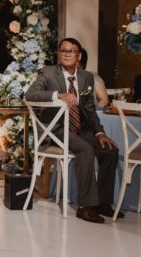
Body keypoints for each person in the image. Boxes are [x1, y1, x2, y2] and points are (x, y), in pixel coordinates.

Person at [25, 37, 120, 223]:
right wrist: (58, 95)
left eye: (72, 51)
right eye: (63, 50)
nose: (67, 53)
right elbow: (30, 94)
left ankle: (103, 203)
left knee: (110, 150)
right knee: (86, 149)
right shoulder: (49, 73)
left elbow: (90, 111)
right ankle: (86, 207)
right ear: (59, 54)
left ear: (79, 55)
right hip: (57, 129)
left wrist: (100, 132)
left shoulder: (86, 77)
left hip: (80, 129)